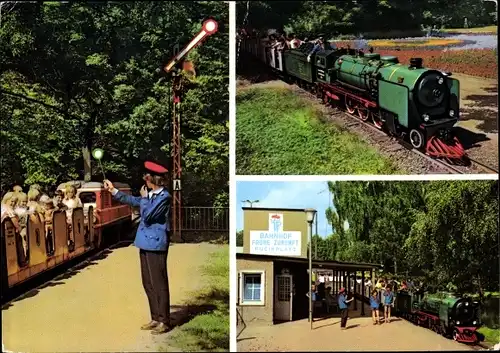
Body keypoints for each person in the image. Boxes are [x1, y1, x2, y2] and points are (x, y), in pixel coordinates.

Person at [103, 161, 171, 335]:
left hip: (156, 244)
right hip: (145, 243)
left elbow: (147, 215)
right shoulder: (150, 196)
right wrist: (113, 190)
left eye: (146, 178)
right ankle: (155, 317)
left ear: (151, 180)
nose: (144, 181)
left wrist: (145, 198)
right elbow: (132, 200)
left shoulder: (164, 197)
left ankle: (164, 320)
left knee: (159, 283)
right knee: (148, 283)